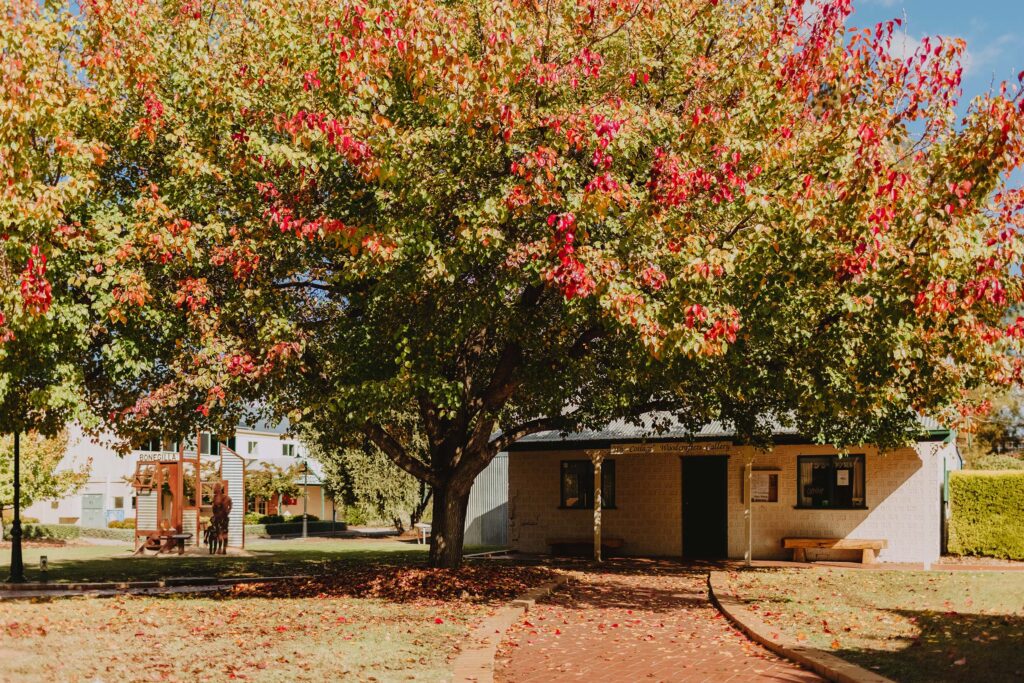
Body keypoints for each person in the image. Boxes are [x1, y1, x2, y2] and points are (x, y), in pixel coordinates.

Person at [210, 482, 232, 555]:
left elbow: (230, 504)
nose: (214, 490)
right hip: (218, 518)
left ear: (219, 489)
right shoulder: (216, 497)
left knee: (223, 534)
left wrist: (228, 511)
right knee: (220, 534)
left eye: (215, 489)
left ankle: (223, 549)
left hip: (223, 518)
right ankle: (220, 549)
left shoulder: (225, 497)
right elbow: (213, 508)